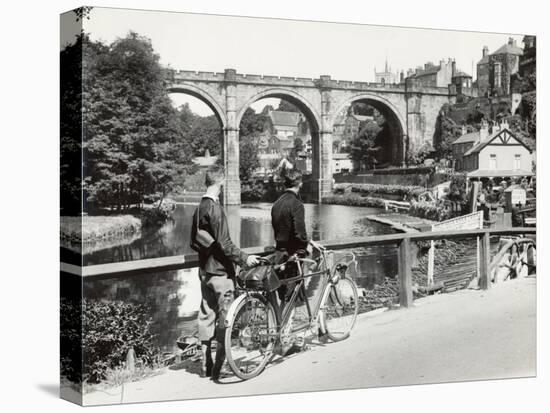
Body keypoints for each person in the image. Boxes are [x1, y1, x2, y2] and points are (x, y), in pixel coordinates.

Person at [190, 165, 260, 380]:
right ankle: (220, 367)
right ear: (220, 182)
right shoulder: (215, 209)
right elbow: (225, 243)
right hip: (220, 273)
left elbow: (194, 242)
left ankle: (205, 364)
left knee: (206, 316)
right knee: (225, 319)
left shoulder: (199, 208)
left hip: (205, 272)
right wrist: (244, 258)